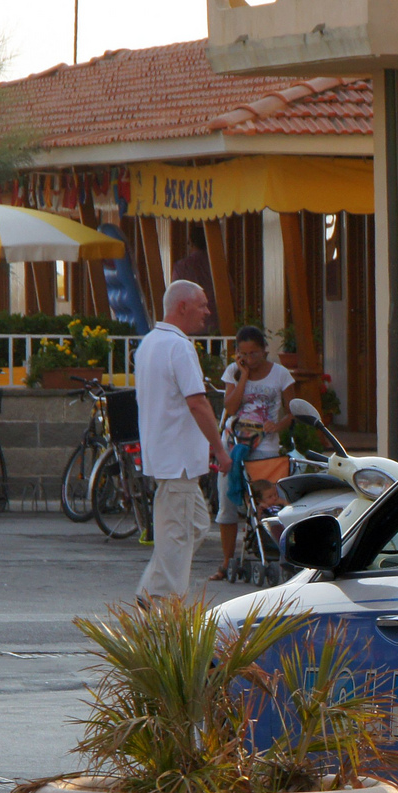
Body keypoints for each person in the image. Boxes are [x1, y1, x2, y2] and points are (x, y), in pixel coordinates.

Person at [135, 281, 227, 603]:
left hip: (165, 457)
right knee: (179, 534)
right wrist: (220, 449)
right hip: (179, 461)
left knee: (196, 525)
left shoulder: (149, 344)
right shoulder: (179, 346)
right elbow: (197, 402)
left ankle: (152, 589)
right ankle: (163, 601)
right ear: (182, 307)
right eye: (202, 304)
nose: (207, 312)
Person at [211, 326, 294, 582]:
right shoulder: (234, 372)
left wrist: (277, 425)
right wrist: (243, 376)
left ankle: (271, 555)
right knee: (227, 504)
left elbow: (292, 411)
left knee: (266, 501)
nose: (249, 358)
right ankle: (226, 561)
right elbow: (230, 406)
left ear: (264, 350)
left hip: (265, 447)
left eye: (254, 353)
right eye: (243, 354)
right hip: (234, 443)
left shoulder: (280, 374)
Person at [167, 227, 219, 335]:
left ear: (191, 243)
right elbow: (230, 291)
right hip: (216, 325)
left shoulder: (182, 266)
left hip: (189, 324)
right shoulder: (217, 265)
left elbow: (175, 293)